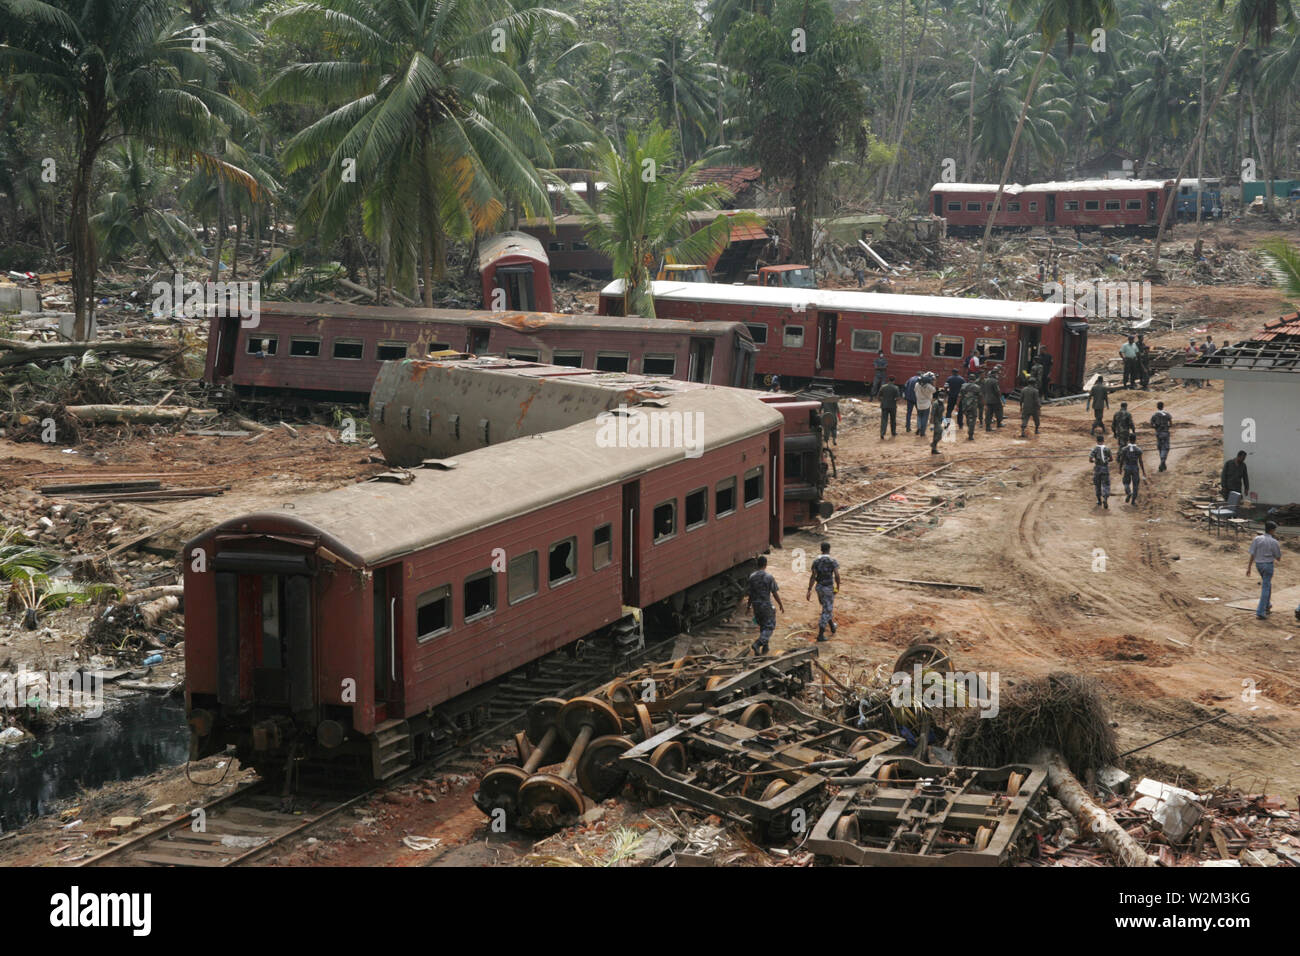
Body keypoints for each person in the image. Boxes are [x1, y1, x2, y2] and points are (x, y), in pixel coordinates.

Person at [747, 556, 785, 655]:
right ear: (765, 564)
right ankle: (757, 644)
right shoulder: (768, 577)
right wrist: (780, 604)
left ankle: (765, 647)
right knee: (769, 626)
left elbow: (750, 594)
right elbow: (774, 592)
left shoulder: (752, 576)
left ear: (757, 564)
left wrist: (748, 606)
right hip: (766, 605)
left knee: (763, 625)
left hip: (756, 605)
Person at [1246, 521, 1282, 620]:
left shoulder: (1257, 539)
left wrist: (1249, 567)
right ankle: (1261, 611)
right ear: (1272, 530)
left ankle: (1267, 605)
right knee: (1266, 587)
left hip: (1259, 565)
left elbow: (1252, 554)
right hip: (1268, 565)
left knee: (1267, 584)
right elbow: (1278, 558)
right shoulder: (1274, 542)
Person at [806, 542, 840, 642]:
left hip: (819, 587)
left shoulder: (816, 561)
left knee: (826, 607)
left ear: (821, 549)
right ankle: (820, 634)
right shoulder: (832, 561)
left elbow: (813, 576)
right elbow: (837, 575)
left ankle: (832, 626)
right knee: (827, 609)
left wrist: (809, 590)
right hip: (828, 588)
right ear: (829, 549)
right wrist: (837, 587)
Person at [1118, 433, 1147, 504]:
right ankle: (1133, 501)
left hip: (1127, 467)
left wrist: (1120, 468)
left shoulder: (1124, 449)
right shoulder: (1138, 450)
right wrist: (1143, 471)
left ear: (1128, 440)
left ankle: (1128, 492)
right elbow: (1140, 461)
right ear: (1135, 440)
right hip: (1135, 468)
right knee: (1136, 485)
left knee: (1126, 482)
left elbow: (1122, 460)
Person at [1090, 436, 1113, 508]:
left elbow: (1090, 459)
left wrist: (1095, 461)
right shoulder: (1107, 449)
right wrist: (1106, 461)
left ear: (1097, 441)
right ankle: (1105, 498)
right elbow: (1111, 459)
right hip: (1105, 468)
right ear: (1103, 441)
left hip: (1097, 468)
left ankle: (1099, 500)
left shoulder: (1094, 449)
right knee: (1106, 484)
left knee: (1097, 484)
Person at [1149, 402, 1173, 471]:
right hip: (1165, 433)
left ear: (1157, 407)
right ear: (1163, 406)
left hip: (1158, 433)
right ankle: (1162, 462)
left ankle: (1163, 463)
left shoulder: (1155, 415)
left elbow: (1151, 424)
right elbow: (1171, 424)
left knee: (1160, 447)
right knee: (1166, 448)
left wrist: (1156, 427)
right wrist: (1166, 426)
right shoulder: (1167, 414)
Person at [914, 372, 936, 437]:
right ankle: (922, 432)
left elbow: (915, 390)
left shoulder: (917, 384)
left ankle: (919, 427)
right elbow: (934, 390)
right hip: (926, 404)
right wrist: (934, 383)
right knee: (925, 418)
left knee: (919, 416)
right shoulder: (929, 386)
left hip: (919, 403)